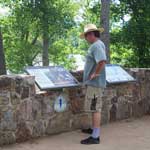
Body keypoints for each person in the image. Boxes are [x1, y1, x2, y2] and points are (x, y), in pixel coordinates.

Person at [80, 24, 107, 145]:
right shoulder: (98, 44)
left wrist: (95, 74)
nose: (86, 39)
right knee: (93, 107)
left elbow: (102, 61)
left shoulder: (96, 46)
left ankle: (95, 137)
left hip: (95, 84)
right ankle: (93, 129)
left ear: (91, 34)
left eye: (86, 36)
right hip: (94, 84)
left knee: (95, 109)